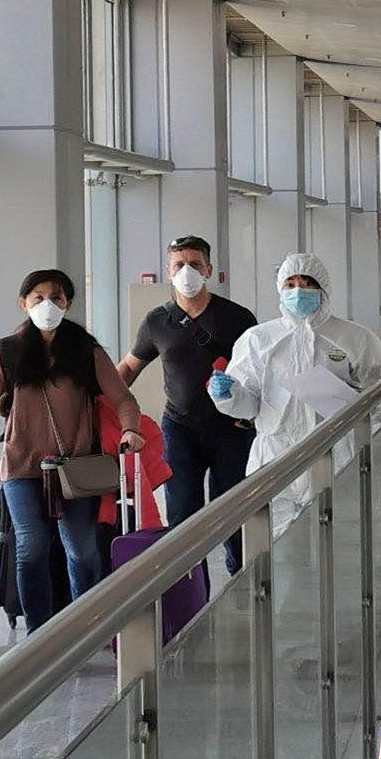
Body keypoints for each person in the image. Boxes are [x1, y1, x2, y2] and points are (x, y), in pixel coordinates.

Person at [0, 269, 144, 633]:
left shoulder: (86, 351)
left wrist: (131, 430)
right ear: (23, 304)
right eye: (38, 298)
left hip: (76, 468)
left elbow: (124, 399)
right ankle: (39, 634)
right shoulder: (8, 350)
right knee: (32, 546)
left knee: (82, 550)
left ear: (68, 303)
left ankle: (85, 627)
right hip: (21, 465)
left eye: (56, 298)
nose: (47, 305)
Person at [208, 252, 381, 533]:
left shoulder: (356, 338)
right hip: (274, 453)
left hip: (335, 450)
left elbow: (378, 398)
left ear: (323, 288)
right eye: (290, 284)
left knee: (338, 533)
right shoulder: (259, 339)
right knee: (275, 537)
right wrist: (228, 395)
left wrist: (354, 412)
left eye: (307, 283)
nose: (298, 291)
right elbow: (249, 406)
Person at [118, 236, 257, 592]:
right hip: (180, 428)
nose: (187, 271)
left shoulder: (237, 317)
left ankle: (242, 581)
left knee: (232, 508)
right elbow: (130, 367)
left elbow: (259, 370)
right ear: (168, 271)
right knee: (182, 515)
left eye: (195, 264)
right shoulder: (158, 321)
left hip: (232, 428)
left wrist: (251, 412)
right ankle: (192, 593)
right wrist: (101, 400)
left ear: (209, 270)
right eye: (179, 265)